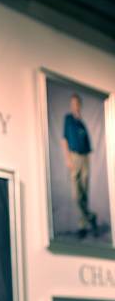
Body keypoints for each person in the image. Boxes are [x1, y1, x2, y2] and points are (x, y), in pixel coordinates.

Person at [61, 93, 98, 239]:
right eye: (72, 103)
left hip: (85, 158)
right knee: (77, 195)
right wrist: (67, 158)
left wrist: (86, 161)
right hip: (74, 156)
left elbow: (88, 147)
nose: (74, 106)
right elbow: (64, 139)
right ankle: (90, 217)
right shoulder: (68, 120)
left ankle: (83, 224)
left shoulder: (82, 123)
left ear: (79, 105)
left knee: (84, 192)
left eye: (76, 103)